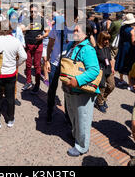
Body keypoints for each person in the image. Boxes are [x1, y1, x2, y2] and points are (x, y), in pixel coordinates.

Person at [61, 20, 100, 157]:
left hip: (82, 91)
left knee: (82, 119)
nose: (74, 32)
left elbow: (94, 70)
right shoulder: (72, 45)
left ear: (86, 33)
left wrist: (77, 80)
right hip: (71, 90)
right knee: (73, 115)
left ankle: (82, 146)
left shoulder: (87, 49)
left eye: (77, 30)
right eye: (73, 30)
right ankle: (75, 135)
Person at [0, 18, 27, 130]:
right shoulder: (16, 41)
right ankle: (10, 119)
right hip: (11, 73)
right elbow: (24, 57)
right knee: (10, 97)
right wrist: (16, 63)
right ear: (10, 29)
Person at [45, 14, 74, 124]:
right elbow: (50, 44)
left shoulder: (75, 29)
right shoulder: (57, 27)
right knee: (52, 88)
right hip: (54, 62)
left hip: (67, 65)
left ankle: (68, 114)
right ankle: (49, 111)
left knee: (68, 90)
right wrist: (47, 60)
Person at [22, 4, 50, 94]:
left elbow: (47, 32)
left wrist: (42, 36)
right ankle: (28, 82)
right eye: (31, 11)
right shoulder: (26, 19)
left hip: (38, 44)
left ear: (37, 12)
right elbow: (21, 29)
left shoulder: (42, 20)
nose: (33, 13)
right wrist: (27, 27)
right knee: (28, 64)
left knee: (37, 65)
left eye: (34, 11)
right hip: (28, 44)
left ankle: (37, 85)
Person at [115, 13, 135, 88]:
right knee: (129, 65)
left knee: (121, 62)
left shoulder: (122, 27)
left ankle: (121, 80)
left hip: (122, 47)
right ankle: (129, 84)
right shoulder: (132, 31)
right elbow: (133, 42)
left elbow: (130, 31)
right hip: (129, 49)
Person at [94, 31, 115, 113]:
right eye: (105, 39)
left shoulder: (107, 47)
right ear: (100, 39)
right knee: (102, 86)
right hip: (100, 69)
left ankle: (103, 98)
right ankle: (100, 103)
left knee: (111, 86)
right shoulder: (96, 49)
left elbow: (110, 59)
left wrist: (112, 67)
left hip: (108, 69)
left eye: (108, 39)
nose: (106, 41)